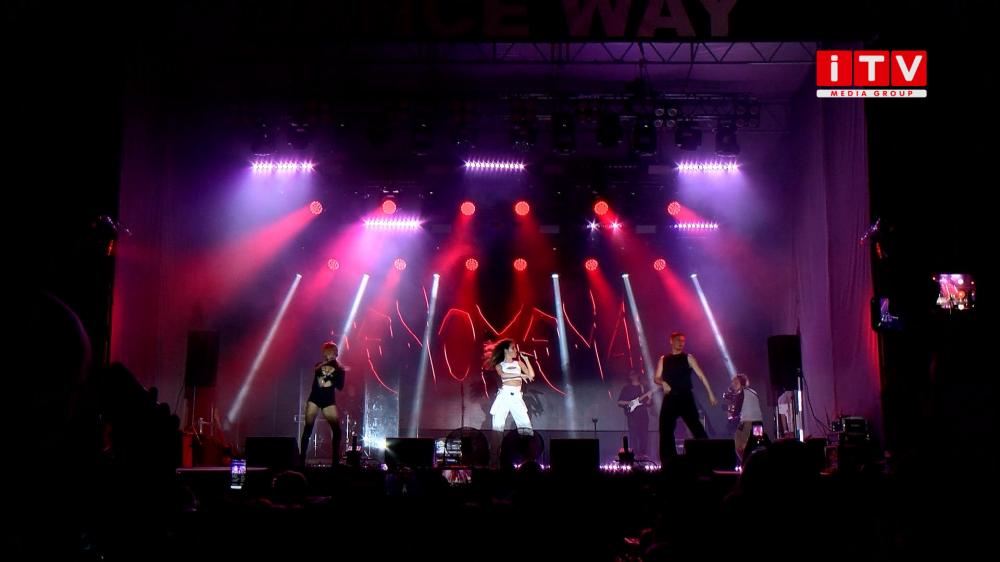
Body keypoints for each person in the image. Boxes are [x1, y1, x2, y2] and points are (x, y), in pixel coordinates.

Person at [653, 332, 717, 460]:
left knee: (696, 427)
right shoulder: (663, 359)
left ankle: (708, 458)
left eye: (683, 341)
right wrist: (663, 382)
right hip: (670, 398)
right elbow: (656, 377)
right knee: (665, 429)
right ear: (671, 341)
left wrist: (710, 393)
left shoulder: (688, 357)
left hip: (685, 397)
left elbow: (701, 376)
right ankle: (669, 460)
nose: (681, 343)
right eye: (678, 340)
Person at [300, 341, 346, 465]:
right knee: (308, 429)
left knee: (337, 430)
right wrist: (331, 373)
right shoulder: (319, 365)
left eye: (330, 352)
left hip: (328, 401)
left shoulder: (340, 369)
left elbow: (340, 386)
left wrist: (336, 374)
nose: (327, 354)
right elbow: (321, 381)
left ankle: (335, 462)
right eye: (326, 352)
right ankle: (301, 459)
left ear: (334, 353)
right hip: (315, 398)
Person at [483, 339, 535, 434]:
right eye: (513, 348)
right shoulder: (500, 365)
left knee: (525, 426)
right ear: (506, 350)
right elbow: (503, 375)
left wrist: (526, 360)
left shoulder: (519, 363)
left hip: (517, 396)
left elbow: (531, 375)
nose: (516, 350)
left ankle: (527, 443)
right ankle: (496, 444)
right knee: (498, 426)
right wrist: (520, 375)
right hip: (504, 395)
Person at [726, 374, 764, 462]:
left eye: (736, 382)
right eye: (733, 382)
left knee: (739, 444)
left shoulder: (741, 392)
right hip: (759, 424)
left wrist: (730, 413)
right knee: (756, 446)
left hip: (748, 423)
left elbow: (735, 412)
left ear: (741, 383)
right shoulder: (753, 392)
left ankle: (745, 463)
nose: (733, 384)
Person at [616, 370, 652, 459]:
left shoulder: (644, 387)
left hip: (643, 415)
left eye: (635, 373)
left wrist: (650, 397)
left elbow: (648, 403)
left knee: (644, 435)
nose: (634, 375)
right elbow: (619, 402)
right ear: (629, 377)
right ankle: (634, 454)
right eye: (632, 374)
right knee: (633, 435)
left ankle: (643, 453)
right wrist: (631, 403)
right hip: (632, 416)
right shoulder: (626, 388)